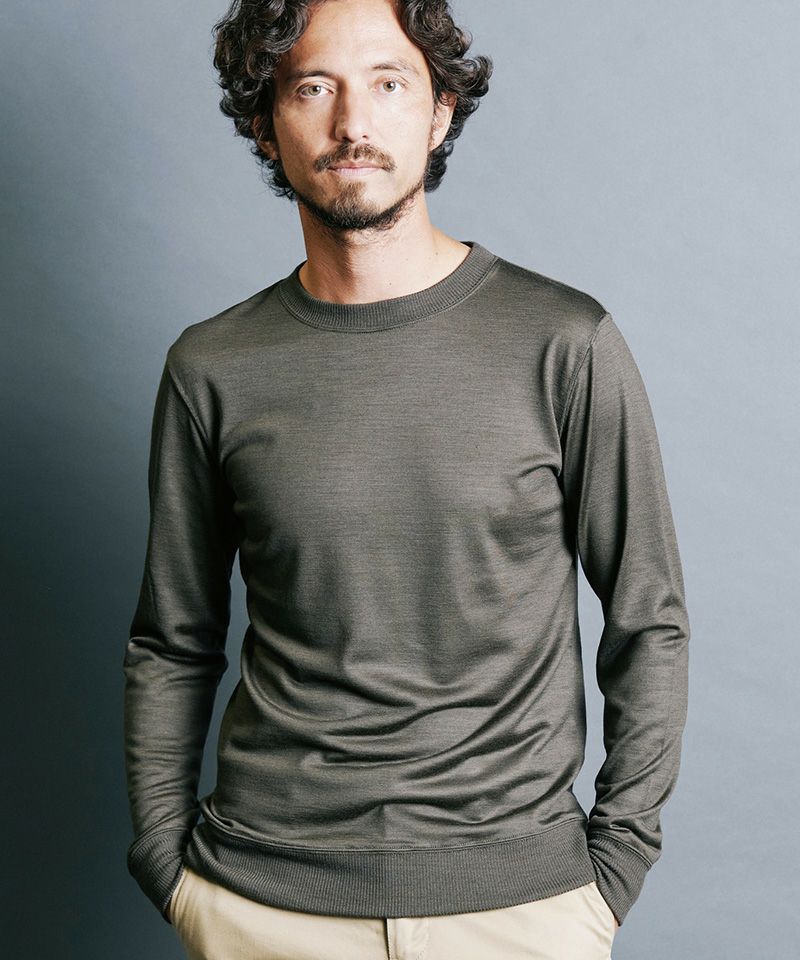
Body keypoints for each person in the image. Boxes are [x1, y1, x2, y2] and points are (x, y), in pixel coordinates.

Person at [122, 0, 690, 957]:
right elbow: (173, 638)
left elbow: (649, 617)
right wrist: (167, 865)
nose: (354, 122)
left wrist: (615, 863)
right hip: (263, 903)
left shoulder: (564, 343)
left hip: (522, 909)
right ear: (265, 122)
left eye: (389, 83)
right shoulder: (210, 368)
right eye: (314, 87)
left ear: (439, 113)